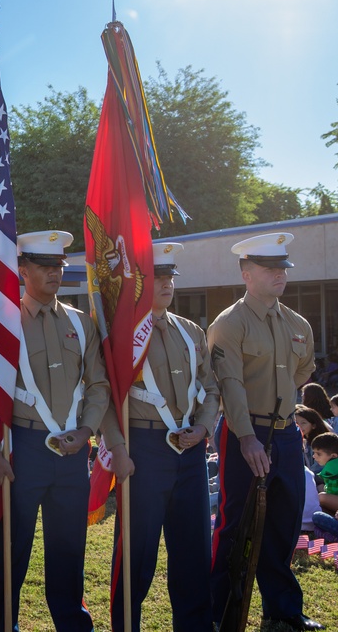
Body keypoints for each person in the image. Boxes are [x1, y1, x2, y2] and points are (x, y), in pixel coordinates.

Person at [0, 230, 110, 632]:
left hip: (72, 450)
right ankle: (4, 625)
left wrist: (87, 429)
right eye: (45, 265)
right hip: (25, 448)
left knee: (69, 547)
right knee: (12, 549)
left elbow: (99, 384)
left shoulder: (79, 323)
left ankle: (72, 623)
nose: (55, 272)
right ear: (23, 270)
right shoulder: (5, 324)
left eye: (59, 265)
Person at [101, 242, 219, 632]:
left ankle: (195, 625)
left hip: (189, 449)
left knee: (193, 549)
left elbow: (210, 388)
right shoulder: (122, 333)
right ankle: (126, 626)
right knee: (137, 552)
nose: (166, 283)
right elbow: (106, 394)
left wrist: (202, 427)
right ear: (140, 282)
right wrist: (118, 447)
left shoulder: (191, 331)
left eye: (170, 277)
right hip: (144, 448)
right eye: (158, 277)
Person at [207, 232, 322, 631]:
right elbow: (230, 384)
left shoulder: (297, 322)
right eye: (269, 268)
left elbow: (305, 369)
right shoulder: (229, 323)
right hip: (245, 431)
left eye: (282, 268)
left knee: (284, 522)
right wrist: (246, 436)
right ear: (246, 273)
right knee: (234, 524)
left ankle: (284, 610)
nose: (279, 275)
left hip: (287, 434)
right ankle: (220, 611)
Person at [312, 432, 338, 513]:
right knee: (320, 487)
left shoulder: (331, 469)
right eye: (314, 453)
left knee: (321, 497)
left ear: (333, 456)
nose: (314, 456)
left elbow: (335, 492)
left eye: (318, 454)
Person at [294, 406, 332, 474]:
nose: (299, 426)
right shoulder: (300, 440)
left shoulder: (321, 442)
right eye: (296, 423)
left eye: (303, 423)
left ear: (313, 425)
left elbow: (318, 468)